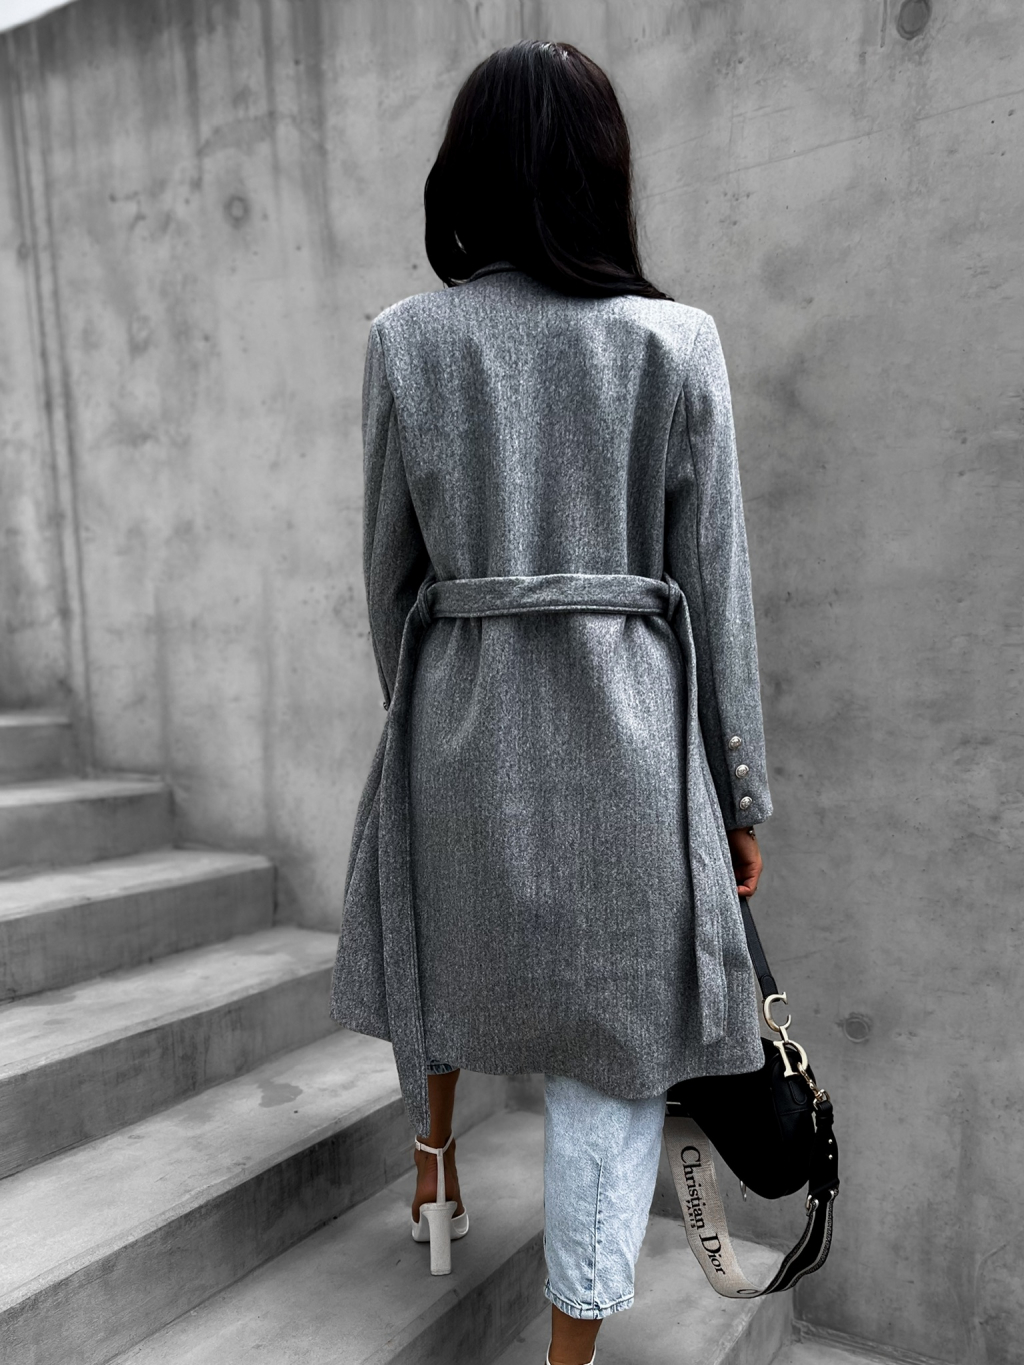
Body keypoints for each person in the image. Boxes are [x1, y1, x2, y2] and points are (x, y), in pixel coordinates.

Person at [329, 38, 771, 1365]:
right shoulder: (676, 342)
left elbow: (387, 574)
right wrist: (739, 789)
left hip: (457, 716)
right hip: (630, 738)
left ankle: (433, 1164)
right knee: (610, 1049)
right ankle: (568, 1358)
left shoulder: (407, 341)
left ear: (464, 174)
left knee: (443, 948)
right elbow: (717, 586)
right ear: (601, 172)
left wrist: (424, 717)